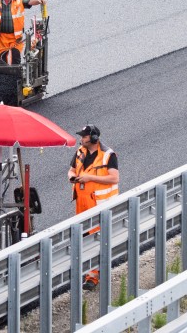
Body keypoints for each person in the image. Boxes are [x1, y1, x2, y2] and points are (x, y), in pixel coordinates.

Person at [67, 124, 119, 290]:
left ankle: (93, 276)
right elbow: (71, 170)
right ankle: (88, 272)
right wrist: (72, 177)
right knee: (83, 239)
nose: (81, 139)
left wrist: (89, 177)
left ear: (94, 138)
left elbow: (114, 178)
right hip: (82, 203)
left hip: (98, 204)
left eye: (84, 136)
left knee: (96, 239)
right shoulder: (80, 152)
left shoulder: (108, 155)